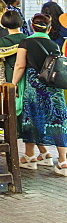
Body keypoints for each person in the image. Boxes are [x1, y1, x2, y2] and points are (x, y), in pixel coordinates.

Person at [12, 13, 67, 174]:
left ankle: (30, 157)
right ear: (49, 28)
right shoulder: (54, 45)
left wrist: (13, 84)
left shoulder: (26, 42)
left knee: (32, 119)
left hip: (34, 87)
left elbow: (20, 66)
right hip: (54, 88)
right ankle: (63, 161)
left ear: (31, 26)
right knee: (57, 121)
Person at [0, 10, 27, 84]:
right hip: (26, 76)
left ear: (4, 24)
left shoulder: (3, 41)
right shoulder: (28, 39)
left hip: (10, 76)